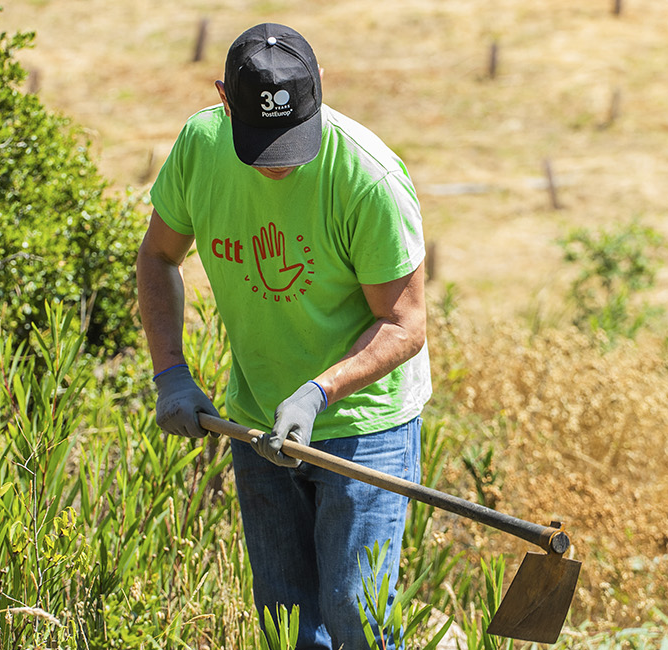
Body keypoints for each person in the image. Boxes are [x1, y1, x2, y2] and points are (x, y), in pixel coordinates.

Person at [136, 22, 429, 650]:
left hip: (362, 425)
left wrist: (319, 393)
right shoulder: (199, 146)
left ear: (321, 94)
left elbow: (405, 324)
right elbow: (158, 257)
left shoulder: (368, 177)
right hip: (256, 419)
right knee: (286, 627)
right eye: (261, 143)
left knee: (357, 621)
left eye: (293, 140)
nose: (279, 163)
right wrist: (171, 374)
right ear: (223, 99)